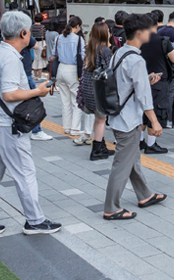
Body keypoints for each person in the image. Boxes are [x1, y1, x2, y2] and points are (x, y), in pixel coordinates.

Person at [0, 11, 61, 239]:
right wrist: (38, 91)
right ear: (23, 33)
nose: (30, 35)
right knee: (25, 173)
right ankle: (35, 221)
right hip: (6, 126)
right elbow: (10, 94)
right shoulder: (10, 58)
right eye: (29, 31)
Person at [102, 13, 167, 220]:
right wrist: (154, 121)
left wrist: (146, 80)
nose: (153, 32)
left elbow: (125, 84)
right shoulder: (136, 60)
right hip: (128, 119)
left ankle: (145, 195)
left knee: (132, 159)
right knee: (122, 163)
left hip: (118, 115)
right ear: (139, 33)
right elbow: (143, 95)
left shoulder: (119, 53)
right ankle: (111, 207)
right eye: (150, 29)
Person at [139, 11, 174, 153]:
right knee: (156, 111)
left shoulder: (139, 40)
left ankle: (140, 141)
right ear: (157, 24)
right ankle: (151, 144)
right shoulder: (163, 41)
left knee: (143, 111)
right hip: (159, 81)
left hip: (142, 80)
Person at [80, 22, 115, 160]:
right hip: (99, 91)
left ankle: (100, 145)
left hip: (88, 88)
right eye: (107, 30)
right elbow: (108, 71)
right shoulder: (105, 50)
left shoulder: (89, 47)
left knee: (97, 118)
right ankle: (97, 149)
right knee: (101, 120)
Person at [54, 16, 87, 138]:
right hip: (72, 70)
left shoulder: (59, 37)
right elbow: (82, 56)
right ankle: (75, 128)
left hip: (60, 68)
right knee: (76, 100)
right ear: (77, 26)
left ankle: (66, 127)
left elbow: (54, 53)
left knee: (65, 101)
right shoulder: (78, 39)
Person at [31, 15, 47, 80]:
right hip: (40, 43)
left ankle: (35, 75)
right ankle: (39, 75)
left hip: (33, 42)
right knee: (40, 59)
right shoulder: (42, 27)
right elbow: (44, 35)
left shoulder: (32, 27)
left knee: (35, 58)